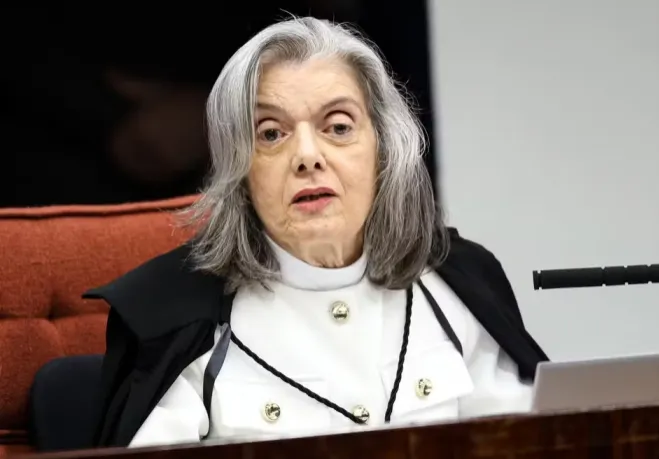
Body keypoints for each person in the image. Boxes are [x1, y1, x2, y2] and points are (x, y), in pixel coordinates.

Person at [84, 16, 549, 448]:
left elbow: (538, 441)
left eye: (339, 127)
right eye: (271, 133)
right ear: (239, 172)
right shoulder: (174, 319)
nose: (308, 156)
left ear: (384, 150)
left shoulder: (459, 284)